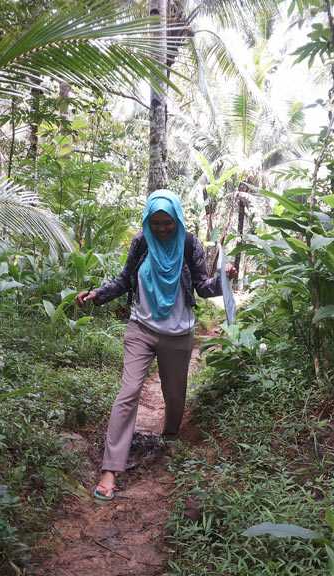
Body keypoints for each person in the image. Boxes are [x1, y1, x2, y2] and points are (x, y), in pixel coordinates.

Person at [76, 189, 235, 501]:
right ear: (148, 220)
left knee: (174, 394)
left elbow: (203, 287)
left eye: (168, 223)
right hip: (141, 328)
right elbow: (125, 279)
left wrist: (223, 280)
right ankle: (110, 469)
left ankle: (172, 435)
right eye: (156, 222)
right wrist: (98, 294)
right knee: (128, 391)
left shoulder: (189, 244)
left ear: (177, 219)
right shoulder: (142, 242)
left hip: (179, 333)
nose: (162, 228)